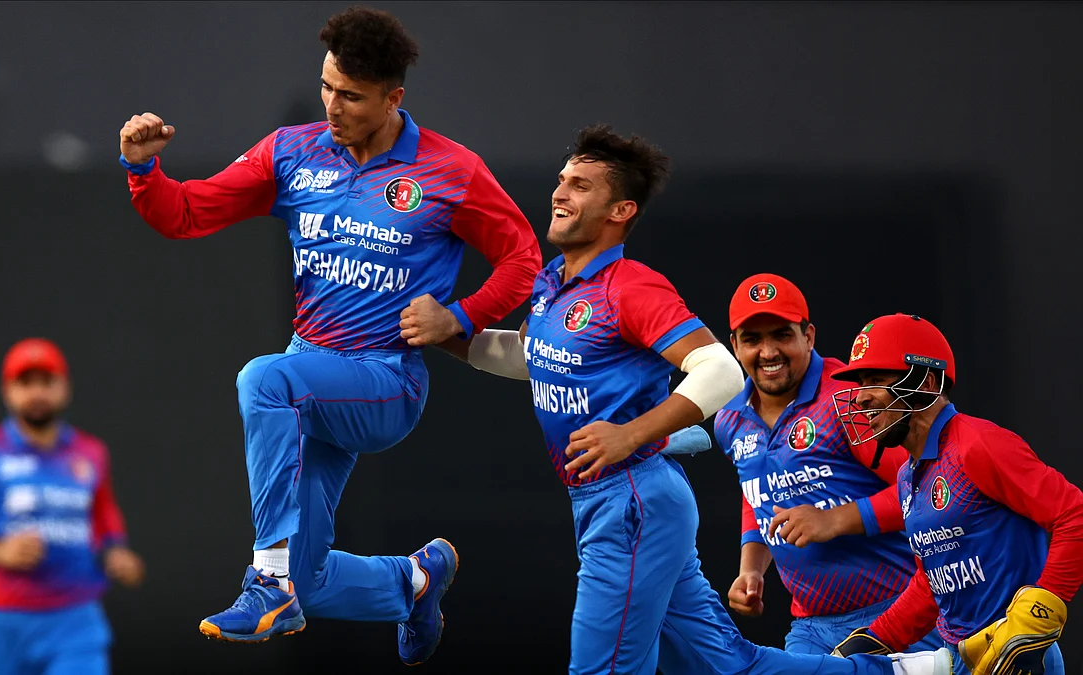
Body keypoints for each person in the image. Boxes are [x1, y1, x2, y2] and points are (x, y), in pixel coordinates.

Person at [439, 124, 952, 675]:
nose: (560, 194)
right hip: (646, 512)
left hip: (632, 500)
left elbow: (718, 371)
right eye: (562, 181)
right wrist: (446, 332)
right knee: (725, 665)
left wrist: (631, 434)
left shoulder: (629, 286)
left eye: (581, 186)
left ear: (621, 211)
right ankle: (903, 672)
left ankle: (905, 662)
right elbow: (532, 358)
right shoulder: (555, 286)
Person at [115, 5, 540, 664]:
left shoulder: (450, 171)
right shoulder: (292, 151)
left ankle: (266, 582)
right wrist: (144, 171)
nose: (332, 105)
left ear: (394, 97)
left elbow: (522, 259)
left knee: (263, 380)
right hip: (311, 374)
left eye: (351, 95)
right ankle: (412, 582)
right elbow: (189, 214)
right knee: (308, 575)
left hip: (384, 382)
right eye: (326, 86)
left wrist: (459, 317)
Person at [825, 314, 1083, 674]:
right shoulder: (906, 476)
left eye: (876, 380)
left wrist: (1040, 613)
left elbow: (1074, 514)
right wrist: (875, 637)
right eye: (860, 382)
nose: (861, 398)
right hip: (958, 658)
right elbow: (932, 585)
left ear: (926, 382)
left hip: (1017, 655)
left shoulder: (978, 444)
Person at [711, 273, 940, 654]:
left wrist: (833, 520)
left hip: (899, 615)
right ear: (734, 345)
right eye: (753, 339)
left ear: (809, 336)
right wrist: (750, 568)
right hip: (811, 627)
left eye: (782, 335)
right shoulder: (729, 420)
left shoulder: (850, 400)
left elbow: (926, 490)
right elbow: (758, 494)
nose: (768, 352)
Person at [0, 338, 144, 675]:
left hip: (76, 617)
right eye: (25, 383)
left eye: (47, 382)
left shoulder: (90, 452)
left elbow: (102, 514)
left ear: (64, 388)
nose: (37, 393)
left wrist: (114, 549)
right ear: (7, 390)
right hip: (5, 619)